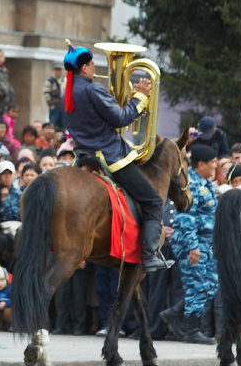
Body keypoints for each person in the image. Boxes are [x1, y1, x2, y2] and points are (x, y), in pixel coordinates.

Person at [62, 42, 170, 272]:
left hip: (83, 156)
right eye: (91, 64)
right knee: (152, 201)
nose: (93, 68)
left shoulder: (69, 91)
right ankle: (150, 256)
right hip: (109, 157)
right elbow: (121, 118)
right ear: (84, 68)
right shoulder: (92, 89)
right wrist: (140, 98)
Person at [171, 142, 218, 344]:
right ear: (201, 164)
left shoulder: (205, 183)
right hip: (193, 245)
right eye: (212, 164)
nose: (215, 167)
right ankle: (191, 331)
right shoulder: (191, 184)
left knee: (211, 285)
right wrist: (193, 246)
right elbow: (185, 217)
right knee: (197, 287)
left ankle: (175, 313)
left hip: (206, 244)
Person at [43, 62, 65, 129]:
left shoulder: (63, 81)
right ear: (53, 70)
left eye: (60, 70)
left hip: (62, 107)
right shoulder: (50, 81)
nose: (58, 72)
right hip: (54, 107)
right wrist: (50, 104)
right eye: (56, 70)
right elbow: (46, 93)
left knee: (63, 126)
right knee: (53, 125)